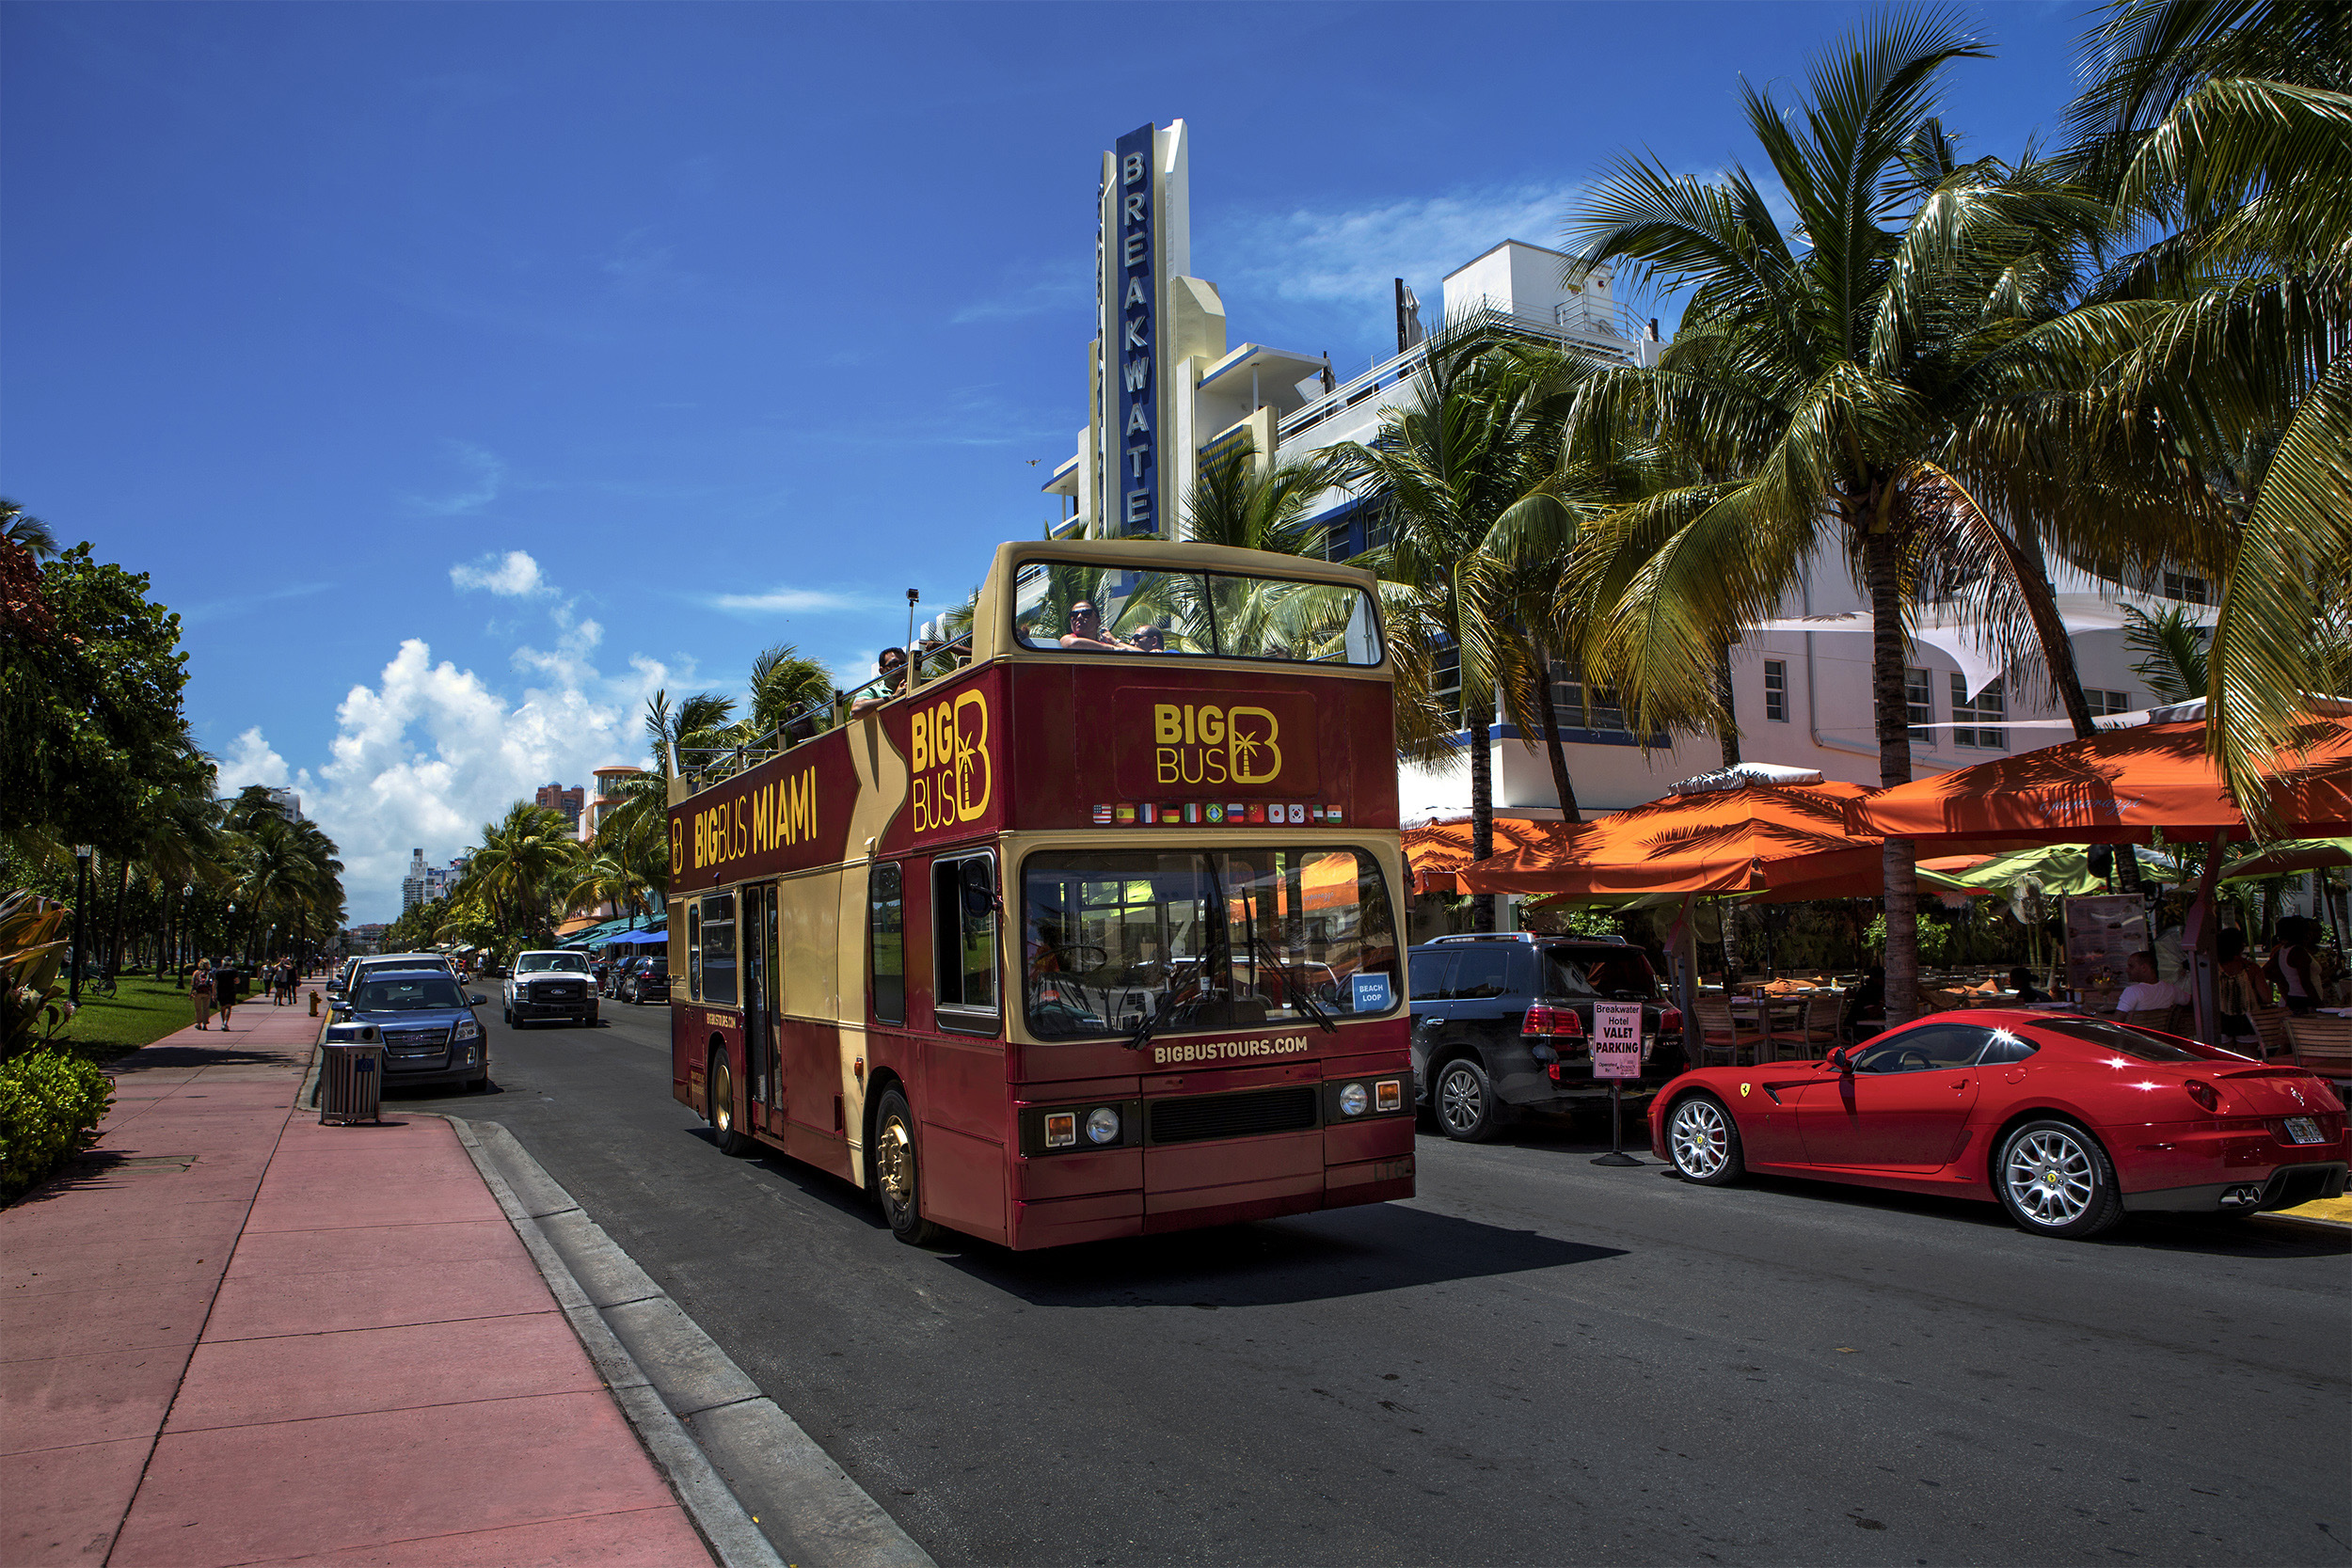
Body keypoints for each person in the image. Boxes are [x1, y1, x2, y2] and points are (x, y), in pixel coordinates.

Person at [2216, 928, 2271, 1042]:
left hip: (2219, 1019)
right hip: (2247, 1020)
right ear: (2240, 946)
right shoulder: (2251, 968)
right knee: (2247, 1058)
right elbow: (2267, 998)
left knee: (2224, 1057)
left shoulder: (2211, 968)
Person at [2267, 917, 2321, 1016]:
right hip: (2305, 1000)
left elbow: (2266, 971)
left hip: (2294, 997)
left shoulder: (2282, 950)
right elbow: (2305, 982)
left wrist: (2286, 983)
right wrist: (2319, 1004)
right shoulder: (2298, 952)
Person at [2116, 950, 2185, 1014]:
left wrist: (2104, 1018)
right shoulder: (2170, 989)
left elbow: (2118, 1020)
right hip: (2160, 1027)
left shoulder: (2133, 991)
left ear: (2144, 968)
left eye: (2131, 966)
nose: (2127, 970)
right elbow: (2192, 1001)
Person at [850, 646, 909, 717]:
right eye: (894, 664)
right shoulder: (874, 692)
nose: (900, 667)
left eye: (903, 663)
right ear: (882, 671)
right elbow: (856, 710)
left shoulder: (918, 683)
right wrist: (894, 697)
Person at [1058, 602, 1133, 653]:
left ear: (1098, 621)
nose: (1079, 617)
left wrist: (1115, 642)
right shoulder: (1068, 638)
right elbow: (1072, 644)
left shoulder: (1105, 646)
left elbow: (1142, 655)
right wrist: (1112, 649)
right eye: (1073, 615)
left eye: (1086, 613)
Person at [189, 959, 215, 1031]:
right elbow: (213, 984)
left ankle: (198, 1023)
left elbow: (193, 984)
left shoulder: (196, 973)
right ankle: (205, 1024)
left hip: (197, 993)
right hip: (206, 993)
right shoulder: (210, 974)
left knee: (198, 1009)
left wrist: (190, 993)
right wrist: (213, 994)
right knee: (206, 1008)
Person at [215, 958, 238, 1027]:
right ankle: (226, 1022)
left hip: (221, 990)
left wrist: (214, 992)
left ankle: (223, 1021)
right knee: (228, 1006)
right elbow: (237, 980)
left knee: (222, 1007)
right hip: (230, 989)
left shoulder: (218, 970)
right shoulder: (233, 970)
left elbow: (215, 982)